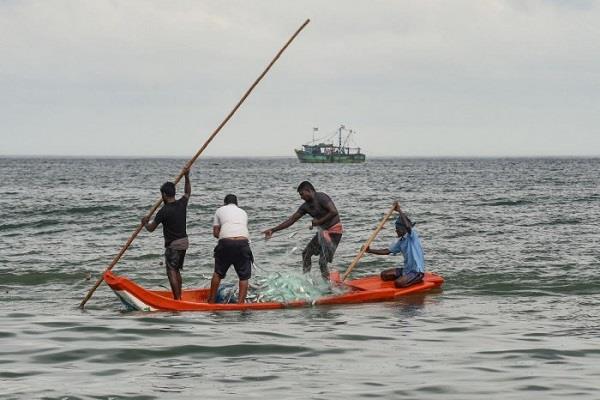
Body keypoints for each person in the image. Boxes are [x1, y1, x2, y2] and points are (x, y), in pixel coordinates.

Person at [262, 181, 343, 280]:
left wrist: (318, 222)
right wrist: (273, 230)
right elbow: (291, 220)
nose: (301, 197)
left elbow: (333, 212)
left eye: (302, 194)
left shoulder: (321, 197)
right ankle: (307, 280)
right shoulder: (305, 206)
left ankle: (328, 286)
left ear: (308, 190)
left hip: (334, 232)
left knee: (322, 262)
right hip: (322, 233)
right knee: (306, 254)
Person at [141, 166, 191, 300]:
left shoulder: (163, 211)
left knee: (171, 271)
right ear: (173, 193)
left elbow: (151, 229)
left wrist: (145, 222)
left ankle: (177, 299)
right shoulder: (182, 203)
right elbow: (187, 192)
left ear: (164, 195)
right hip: (184, 242)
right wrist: (186, 176)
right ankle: (179, 296)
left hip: (174, 245)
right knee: (177, 270)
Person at [364, 201, 425, 288]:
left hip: (417, 272)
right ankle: (406, 277)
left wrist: (399, 210)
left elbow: (408, 227)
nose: (396, 231)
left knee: (398, 283)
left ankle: (415, 280)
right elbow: (387, 251)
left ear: (404, 229)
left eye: (398, 229)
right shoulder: (400, 241)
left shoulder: (412, 236)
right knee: (384, 275)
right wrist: (369, 250)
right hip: (406, 270)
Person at [208, 194, 253, 304]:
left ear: (224, 203)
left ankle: (211, 301)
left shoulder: (220, 210)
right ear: (237, 204)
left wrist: (226, 239)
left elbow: (215, 233)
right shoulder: (243, 212)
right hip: (243, 243)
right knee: (244, 277)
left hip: (225, 243)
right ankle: (240, 304)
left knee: (218, 273)